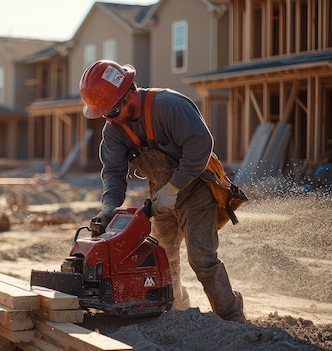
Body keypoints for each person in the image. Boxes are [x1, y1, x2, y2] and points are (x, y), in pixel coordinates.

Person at [80, 60, 246, 323]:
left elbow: (201, 144)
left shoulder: (169, 106)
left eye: (111, 111)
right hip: (160, 194)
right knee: (163, 256)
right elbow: (113, 171)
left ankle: (232, 317)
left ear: (129, 93)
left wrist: (175, 186)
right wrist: (110, 207)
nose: (108, 119)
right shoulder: (113, 130)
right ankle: (176, 309)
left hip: (196, 188)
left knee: (201, 255)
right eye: (103, 114)